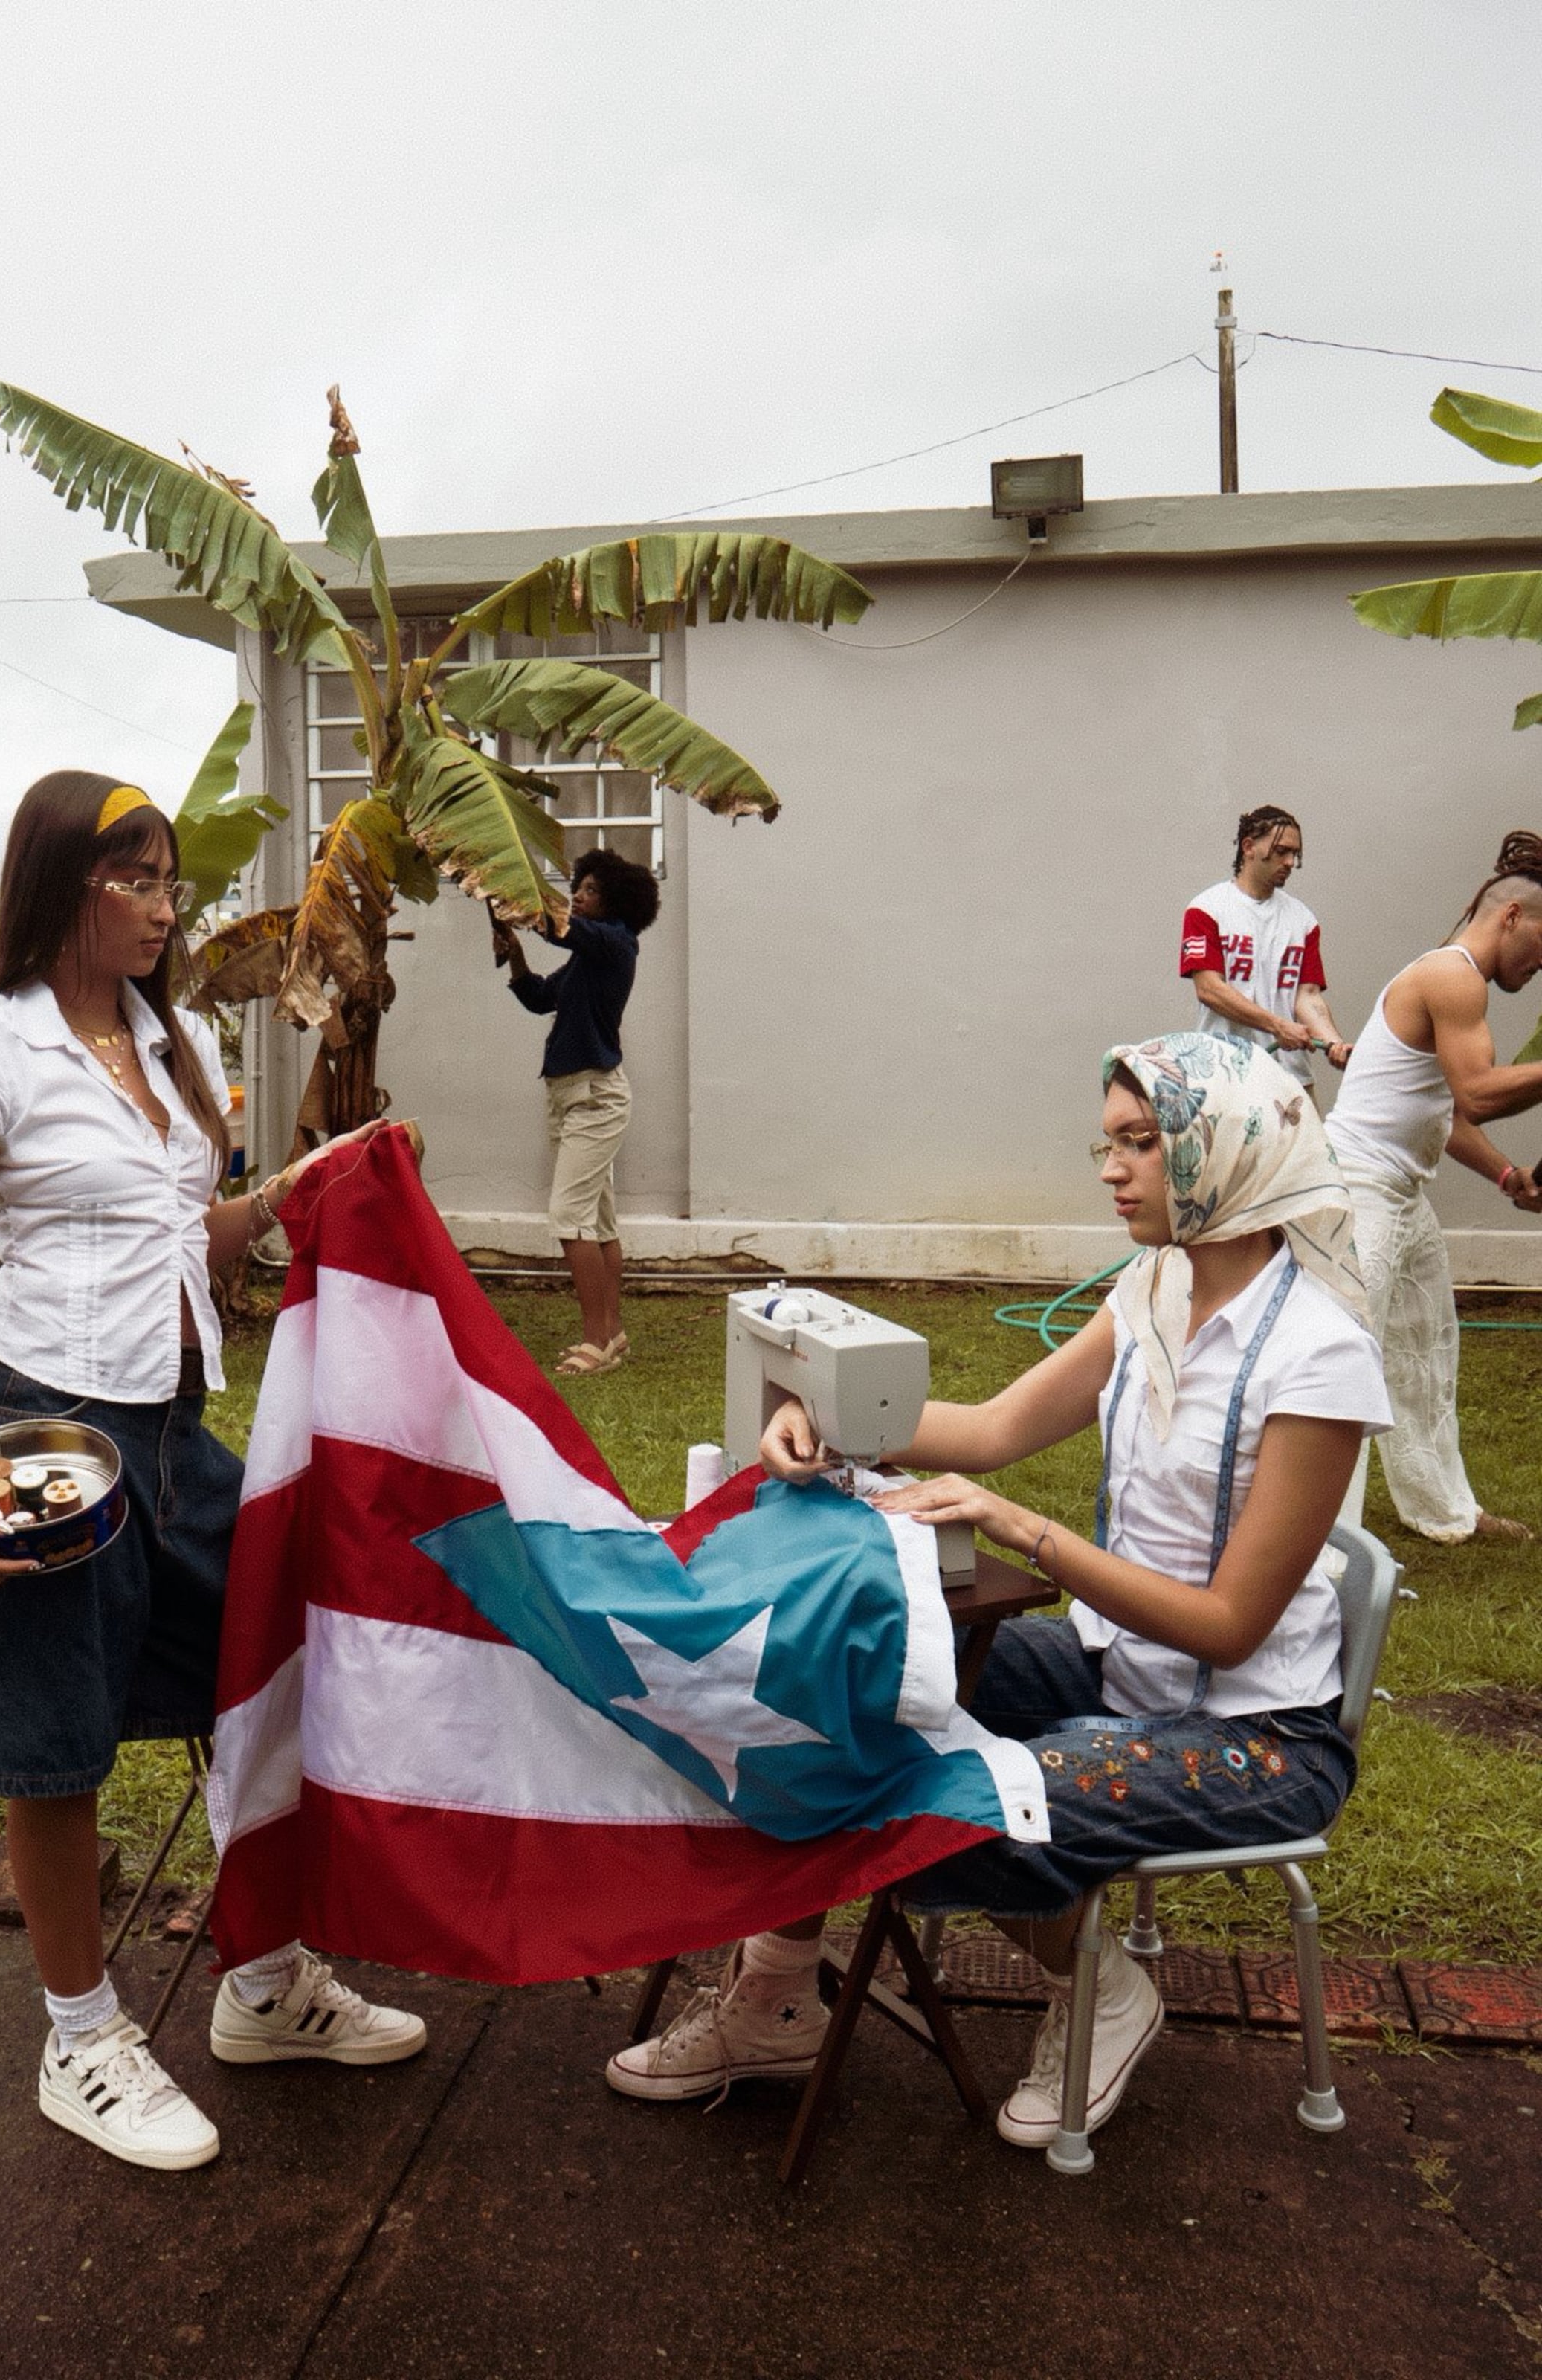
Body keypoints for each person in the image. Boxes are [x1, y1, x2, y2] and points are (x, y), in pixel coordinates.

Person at [608, 1033, 1390, 2154]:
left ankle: (1108, 1987)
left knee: (963, 1804)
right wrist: (827, 1424)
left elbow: (1231, 1625)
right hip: (1118, 1668)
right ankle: (779, 1995)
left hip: (1259, 1736)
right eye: (1108, 1142)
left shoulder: (1319, 1355)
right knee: (819, 1679)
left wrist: (1023, 1529)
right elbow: (993, 1428)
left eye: (1140, 1143)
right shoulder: (1155, 1289)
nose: (1111, 1168)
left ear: (1226, 1153)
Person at [0, 770, 426, 2175]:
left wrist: (296, 1194)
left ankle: (260, 1985)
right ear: (66, 885)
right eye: (139, 879)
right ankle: (83, 2036)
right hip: (43, 1421)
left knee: (272, 1653)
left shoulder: (174, 1039)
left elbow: (195, 1236)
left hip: (174, 1428)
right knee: (52, 1740)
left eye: (170, 880)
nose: (166, 906)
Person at [1325, 829, 1542, 1544]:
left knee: (1424, 1346)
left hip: (1399, 1193)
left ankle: (1446, 1511)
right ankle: (1321, 1547)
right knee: (1345, 1358)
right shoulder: (1453, 976)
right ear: (1513, 916)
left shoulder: (1454, 983)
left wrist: (1508, 1174)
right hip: (1358, 1187)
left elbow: (1442, 1114)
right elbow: (1478, 1092)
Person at [492, 847, 660, 1376]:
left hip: (594, 1098)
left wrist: (516, 896)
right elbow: (542, 997)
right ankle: (612, 1335)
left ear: (613, 902)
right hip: (572, 1096)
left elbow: (561, 927)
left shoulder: (616, 943)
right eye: (578, 887)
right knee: (599, 1221)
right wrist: (515, 953)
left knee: (569, 1217)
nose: (577, 895)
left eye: (588, 889)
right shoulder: (589, 956)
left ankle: (595, 1342)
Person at [1181, 806, 1351, 1085]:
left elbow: (1307, 996)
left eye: (1295, 854)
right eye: (1282, 851)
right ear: (1249, 847)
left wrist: (1334, 1043)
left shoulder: (1303, 920)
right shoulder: (1206, 909)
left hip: (1290, 1077)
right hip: (1224, 1074)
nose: (1290, 862)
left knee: (1311, 1131)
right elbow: (1209, 989)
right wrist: (1277, 1026)